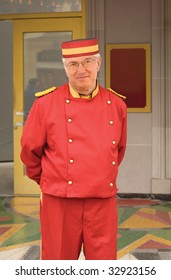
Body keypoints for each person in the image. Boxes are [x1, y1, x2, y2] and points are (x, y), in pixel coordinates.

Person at [20, 38, 127, 260]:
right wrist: (52, 180)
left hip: (102, 199)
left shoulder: (116, 105)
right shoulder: (45, 104)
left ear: (98, 63)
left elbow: (118, 151)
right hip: (59, 200)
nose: (81, 70)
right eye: (73, 64)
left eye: (87, 61)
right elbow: (29, 151)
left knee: (103, 263)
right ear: (65, 68)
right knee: (58, 262)